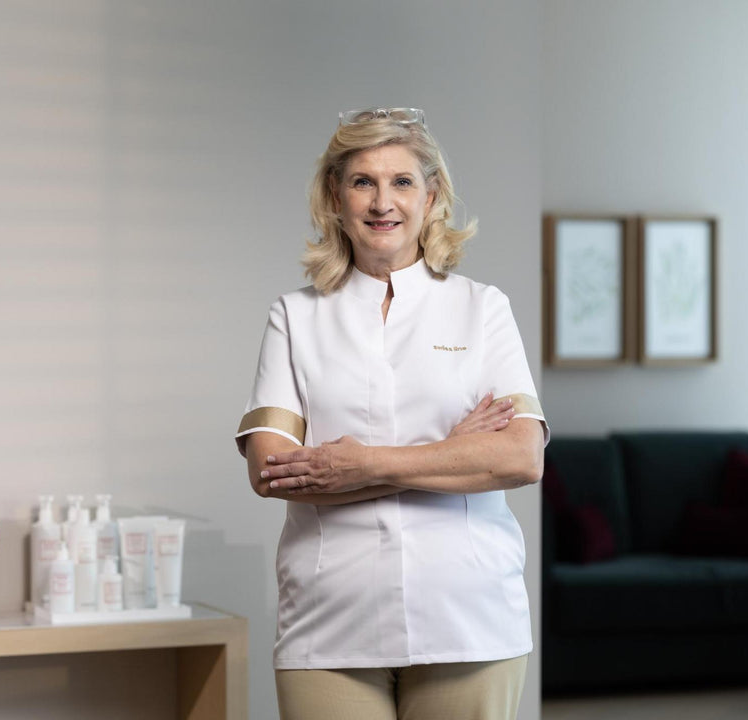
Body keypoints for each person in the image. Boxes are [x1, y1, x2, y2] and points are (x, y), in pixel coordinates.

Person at [235, 107, 549, 720]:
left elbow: (521, 457)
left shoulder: (483, 309)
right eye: (363, 182)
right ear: (336, 196)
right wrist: (453, 455)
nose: (383, 203)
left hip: (469, 618)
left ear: (431, 197)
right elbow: (271, 472)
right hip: (329, 622)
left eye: (402, 182)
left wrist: (361, 466)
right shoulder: (295, 317)